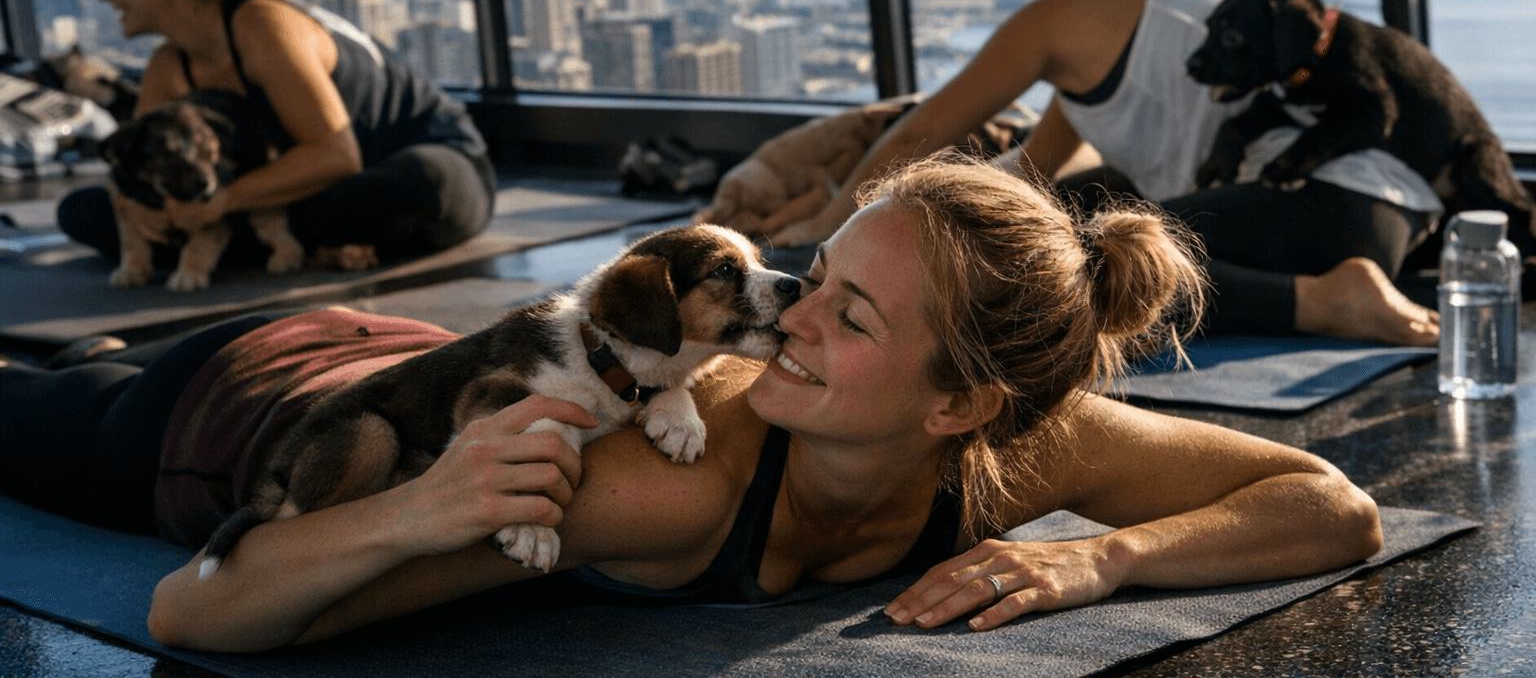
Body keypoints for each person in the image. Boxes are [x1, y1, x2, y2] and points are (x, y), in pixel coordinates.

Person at [0, 157, 1383, 651]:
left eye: (848, 314)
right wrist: (419, 510)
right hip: (241, 414)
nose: (786, 315)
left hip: (425, 350)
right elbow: (198, 610)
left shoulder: (1032, 449)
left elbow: (1332, 506)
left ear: (961, 405)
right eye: (811, 276)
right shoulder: (657, 482)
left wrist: (1103, 553)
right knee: (52, 405)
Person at [751, 0, 1440, 345]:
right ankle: (1324, 289)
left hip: (1326, 205)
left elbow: (922, 132)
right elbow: (1028, 175)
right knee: (1066, 211)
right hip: (1388, 215)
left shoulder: (1066, 12)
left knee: (1050, 279)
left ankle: (1328, 302)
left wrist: (834, 228)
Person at [56, 0, 495, 267]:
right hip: (297, 200)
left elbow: (337, 159)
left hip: (417, 166)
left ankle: (262, 242)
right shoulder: (170, 67)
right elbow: (135, 169)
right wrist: (140, 209)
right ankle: (305, 245)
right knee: (83, 211)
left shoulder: (263, 26)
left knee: (429, 182)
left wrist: (220, 205)